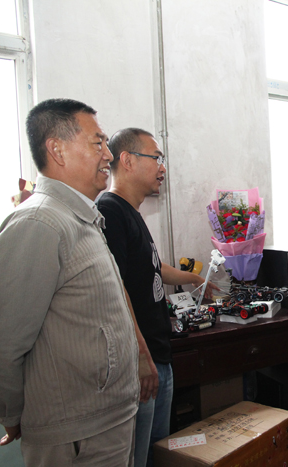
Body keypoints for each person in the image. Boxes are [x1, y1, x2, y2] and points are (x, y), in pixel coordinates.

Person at [0, 98, 140, 466]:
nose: (108, 155)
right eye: (97, 143)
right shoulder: (39, 223)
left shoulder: (80, 217)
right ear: (57, 150)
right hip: (74, 434)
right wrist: (10, 413)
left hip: (105, 422)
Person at [97, 128, 217, 467]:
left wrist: (195, 278)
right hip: (141, 360)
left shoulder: (131, 212)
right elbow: (116, 288)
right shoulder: (109, 211)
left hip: (158, 355)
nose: (162, 168)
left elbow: (153, 267)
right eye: (156, 158)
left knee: (159, 452)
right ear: (127, 160)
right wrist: (140, 355)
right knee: (140, 457)